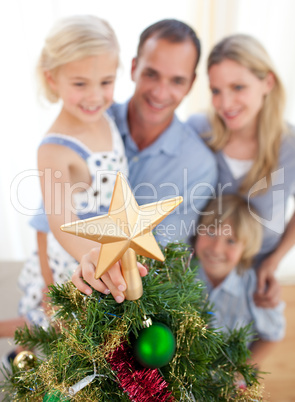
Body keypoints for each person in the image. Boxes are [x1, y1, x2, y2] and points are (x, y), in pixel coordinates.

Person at [1, 14, 131, 344]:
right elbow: (60, 221)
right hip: (77, 264)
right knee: (58, 341)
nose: (94, 96)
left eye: (105, 81)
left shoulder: (106, 118)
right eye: (79, 83)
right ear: (52, 79)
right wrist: (92, 257)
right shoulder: (55, 149)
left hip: (110, 255)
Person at [72, 19, 217, 299]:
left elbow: (161, 252)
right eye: (152, 74)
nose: (161, 92)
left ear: (191, 84)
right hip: (65, 279)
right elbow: (49, 217)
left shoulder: (199, 166)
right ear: (134, 67)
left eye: (177, 80)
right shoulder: (91, 122)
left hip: (125, 298)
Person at [186, 34, 295, 308]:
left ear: (267, 83)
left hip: (252, 281)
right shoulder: (199, 130)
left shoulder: (290, 146)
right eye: (216, 91)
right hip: (194, 279)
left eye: (238, 87)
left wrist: (274, 261)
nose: (225, 103)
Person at [193, 194, 285, 369]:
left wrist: (241, 372)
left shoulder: (255, 287)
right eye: (210, 232)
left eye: (231, 241)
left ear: (246, 248)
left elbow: (272, 335)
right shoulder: (181, 273)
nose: (216, 249)